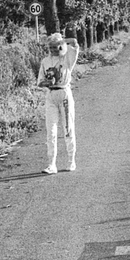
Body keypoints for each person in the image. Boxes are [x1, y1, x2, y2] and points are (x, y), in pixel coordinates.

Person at [37, 31, 79, 174]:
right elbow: (39, 82)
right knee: (51, 131)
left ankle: (71, 161)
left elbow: (74, 42)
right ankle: (51, 164)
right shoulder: (45, 61)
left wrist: (61, 41)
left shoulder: (68, 58)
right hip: (51, 95)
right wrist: (47, 82)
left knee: (68, 128)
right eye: (52, 47)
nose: (54, 50)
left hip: (65, 94)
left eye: (57, 47)